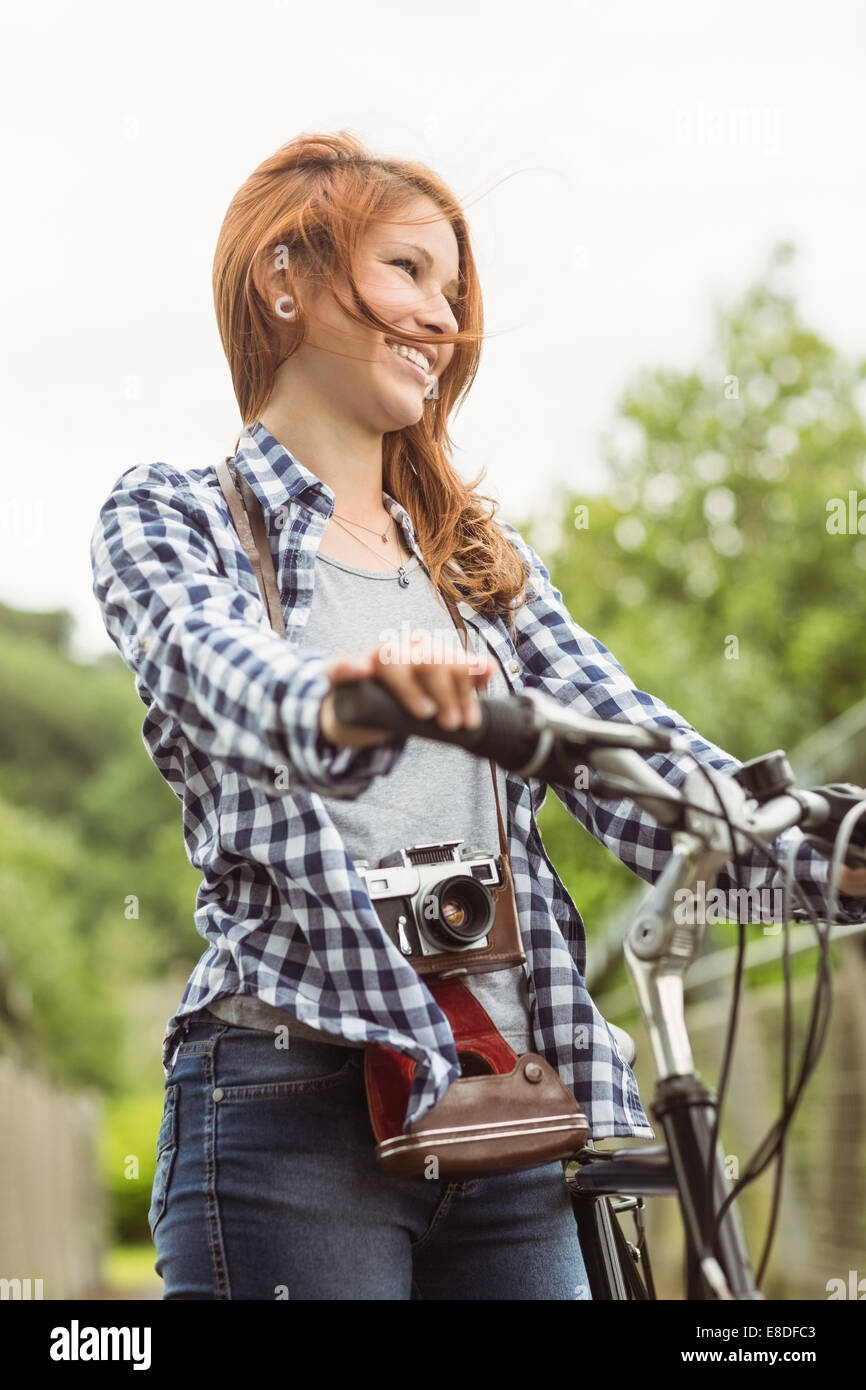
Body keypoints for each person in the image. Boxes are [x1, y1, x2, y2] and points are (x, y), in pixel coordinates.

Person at [90, 131, 866, 1301]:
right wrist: (346, 702)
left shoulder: (478, 567)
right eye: (407, 271)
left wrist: (830, 863)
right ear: (283, 277)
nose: (441, 318)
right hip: (289, 1100)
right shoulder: (178, 516)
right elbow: (215, 669)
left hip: (503, 1106)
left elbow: (647, 773)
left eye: (452, 292)